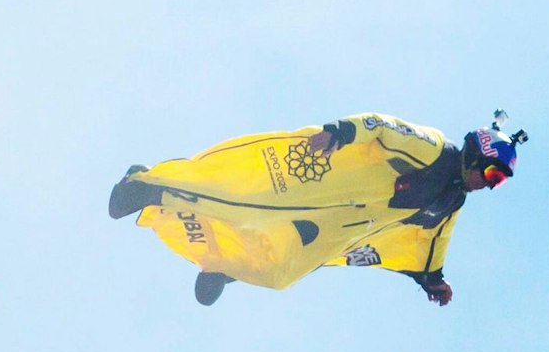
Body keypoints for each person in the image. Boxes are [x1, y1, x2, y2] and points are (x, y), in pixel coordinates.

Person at [108, 111, 524, 306]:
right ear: (478, 154)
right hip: (322, 179)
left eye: (497, 183)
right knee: (241, 198)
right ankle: (146, 185)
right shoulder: (433, 148)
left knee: (280, 272)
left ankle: (223, 266)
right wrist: (341, 132)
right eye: (491, 174)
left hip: (335, 225)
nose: (488, 185)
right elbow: (381, 126)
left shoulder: (451, 202)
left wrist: (432, 280)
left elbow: (434, 240)